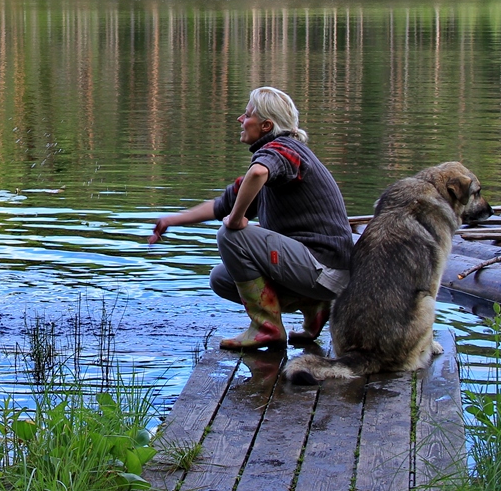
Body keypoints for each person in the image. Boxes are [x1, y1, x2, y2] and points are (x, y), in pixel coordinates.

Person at [148, 87, 353, 350]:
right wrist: (170, 221)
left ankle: (266, 328)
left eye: (247, 115)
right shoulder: (279, 161)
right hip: (323, 271)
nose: (240, 120)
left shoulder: (282, 149)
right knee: (221, 279)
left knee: (230, 235)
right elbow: (221, 205)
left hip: (325, 268)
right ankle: (312, 306)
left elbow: (257, 173)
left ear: (266, 125)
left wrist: (235, 221)